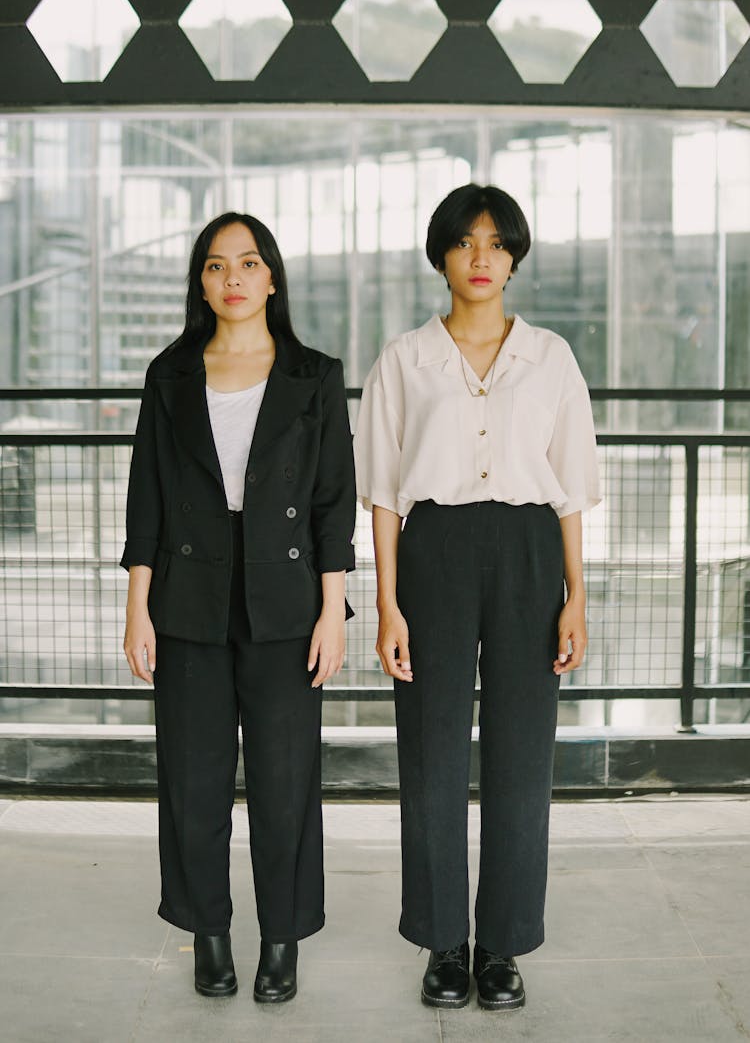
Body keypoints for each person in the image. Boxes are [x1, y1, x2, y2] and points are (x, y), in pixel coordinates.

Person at [353, 183, 601, 1011]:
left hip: (531, 550)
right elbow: (384, 495)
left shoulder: (553, 357)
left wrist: (576, 595)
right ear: (442, 256)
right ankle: (441, 942)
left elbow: (570, 488)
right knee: (430, 755)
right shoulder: (403, 360)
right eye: (466, 242)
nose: (482, 257)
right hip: (434, 553)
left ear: (516, 255)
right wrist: (387, 604)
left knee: (522, 755)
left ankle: (500, 945)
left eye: (497, 242)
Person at [122, 211, 355, 1003]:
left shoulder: (314, 376)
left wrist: (334, 609)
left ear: (272, 277)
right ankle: (208, 932)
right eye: (217, 266)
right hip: (188, 596)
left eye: (248, 263)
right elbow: (145, 498)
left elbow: (333, 503)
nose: (233, 278)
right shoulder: (171, 373)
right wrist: (136, 605)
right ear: (202, 282)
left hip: (286, 599)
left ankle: (282, 938)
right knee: (192, 777)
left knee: (287, 779)